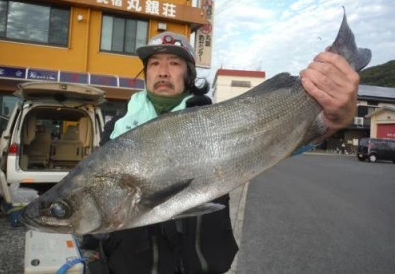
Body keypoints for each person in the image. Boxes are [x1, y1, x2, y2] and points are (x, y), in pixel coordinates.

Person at [88, 31, 360, 274]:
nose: (162, 71)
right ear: (145, 73)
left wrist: (331, 122)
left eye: (174, 63)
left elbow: (285, 142)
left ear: (189, 74)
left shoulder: (218, 118)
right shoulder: (117, 129)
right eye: (155, 63)